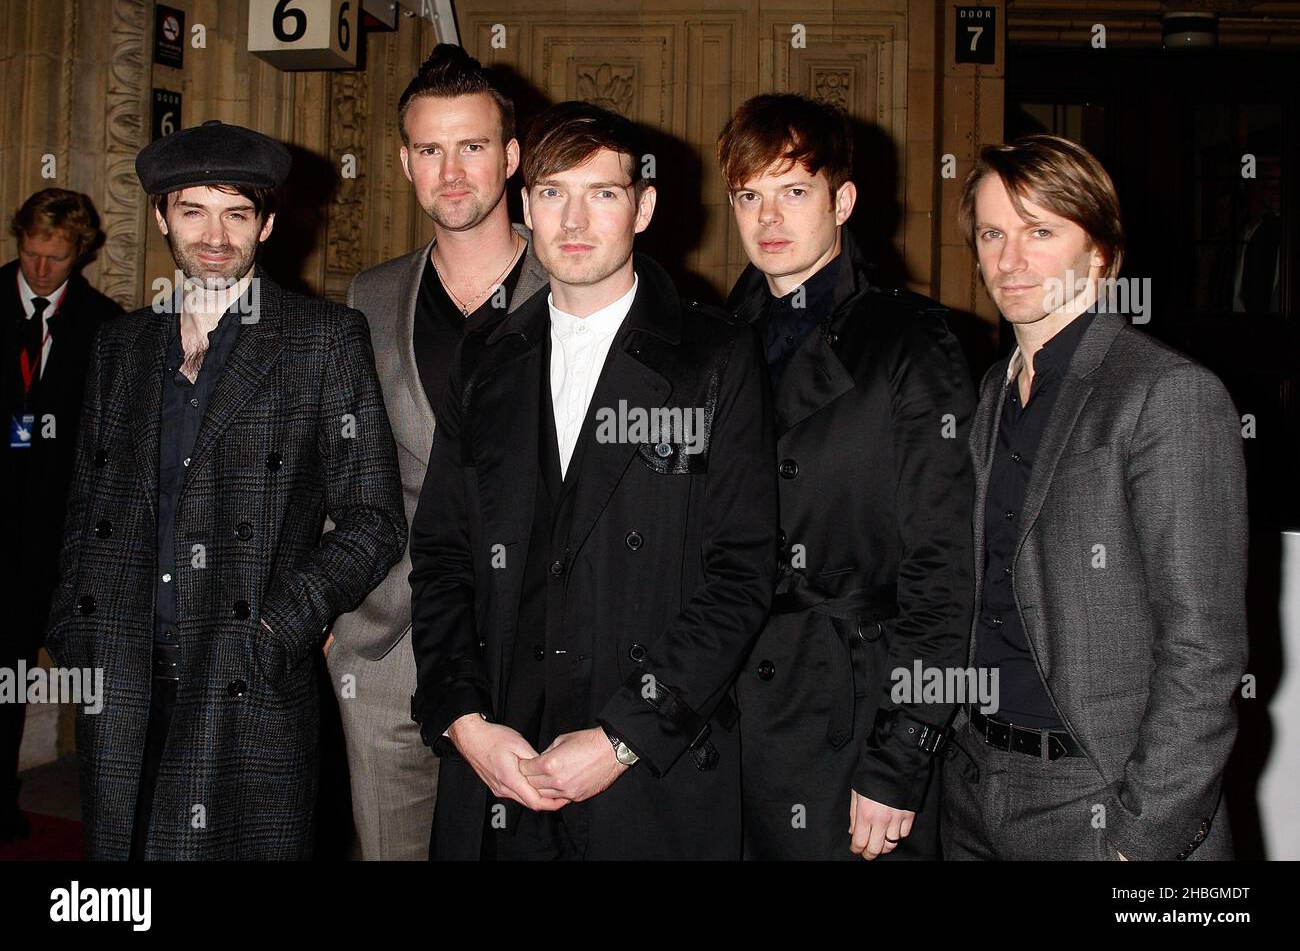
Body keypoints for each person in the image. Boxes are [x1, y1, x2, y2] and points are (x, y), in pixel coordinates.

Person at [409, 101, 777, 860]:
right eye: (551, 193)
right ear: (525, 205)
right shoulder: (486, 355)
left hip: (647, 771)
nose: (573, 219)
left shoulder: (715, 355)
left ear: (642, 207)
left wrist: (623, 737)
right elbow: (441, 555)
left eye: (601, 193)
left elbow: (741, 575)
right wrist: (465, 720)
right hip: (500, 763)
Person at [43, 120, 406, 859]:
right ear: (160, 217)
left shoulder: (322, 339)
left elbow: (372, 519)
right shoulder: (121, 344)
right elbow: (86, 500)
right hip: (123, 670)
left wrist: (279, 627)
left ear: (267, 223)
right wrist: (72, 621)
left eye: (236, 213)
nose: (214, 235)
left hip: (244, 672)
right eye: (193, 211)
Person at [942, 134, 1248, 861]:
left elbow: (1204, 653)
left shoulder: (1165, 393)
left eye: (1040, 231)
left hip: (1099, 800)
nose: (1009, 259)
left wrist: (1142, 838)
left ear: (1100, 254)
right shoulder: (992, 392)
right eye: (993, 233)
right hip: (975, 785)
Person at [718, 93, 975, 860]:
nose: (769, 217)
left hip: (855, 716)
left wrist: (902, 755)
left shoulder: (912, 341)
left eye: (793, 191)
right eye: (749, 195)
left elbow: (947, 569)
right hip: (729, 709)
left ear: (844, 199)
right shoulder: (711, 342)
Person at [328, 44, 549, 860]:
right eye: (430, 149)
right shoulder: (370, 294)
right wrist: (336, 615)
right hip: (390, 647)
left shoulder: (575, 282)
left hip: (537, 640)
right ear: (404, 162)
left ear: (513, 156)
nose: (452, 172)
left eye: (473, 146)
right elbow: (344, 466)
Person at [1, 189, 122, 841]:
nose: (39, 270)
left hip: (61, 533)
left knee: (48, 666)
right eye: (30, 254)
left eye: (55, 258)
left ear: (80, 252)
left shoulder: (105, 325)